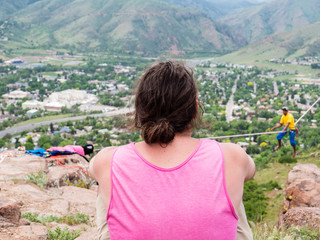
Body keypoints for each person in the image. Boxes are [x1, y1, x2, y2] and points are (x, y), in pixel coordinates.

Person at [89, 61, 255, 240]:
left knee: (106, 189)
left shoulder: (107, 160)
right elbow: (250, 172)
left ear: (140, 111)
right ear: (195, 110)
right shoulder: (232, 156)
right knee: (231, 189)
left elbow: (92, 171)